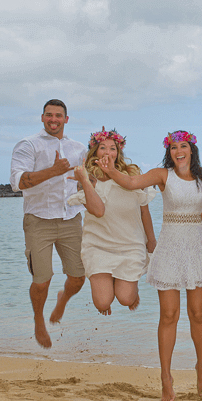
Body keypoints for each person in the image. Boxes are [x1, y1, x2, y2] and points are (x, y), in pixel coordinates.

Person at [104, 130, 202, 401]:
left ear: (192, 150)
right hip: (169, 248)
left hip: (196, 247)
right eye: (174, 147)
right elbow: (131, 182)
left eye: (184, 146)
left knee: (198, 314)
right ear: (170, 151)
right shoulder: (163, 175)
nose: (179, 151)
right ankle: (166, 377)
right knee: (168, 315)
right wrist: (109, 170)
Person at [10, 99, 87, 348]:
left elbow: (87, 182)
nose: (54, 119)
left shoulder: (78, 148)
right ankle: (38, 319)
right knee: (41, 280)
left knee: (78, 277)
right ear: (42, 118)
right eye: (49, 115)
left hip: (71, 219)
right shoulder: (28, 145)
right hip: (38, 220)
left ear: (66, 119)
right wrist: (53, 171)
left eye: (59, 115)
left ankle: (62, 299)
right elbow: (18, 182)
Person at [67, 128, 156, 314]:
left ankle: (130, 288)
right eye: (103, 148)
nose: (108, 152)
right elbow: (98, 211)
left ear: (118, 151)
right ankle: (108, 282)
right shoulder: (87, 178)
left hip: (129, 244)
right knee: (102, 302)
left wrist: (151, 242)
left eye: (113, 148)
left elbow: (144, 210)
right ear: (94, 151)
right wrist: (84, 179)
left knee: (125, 298)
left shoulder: (132, 173)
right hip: (98, 244)